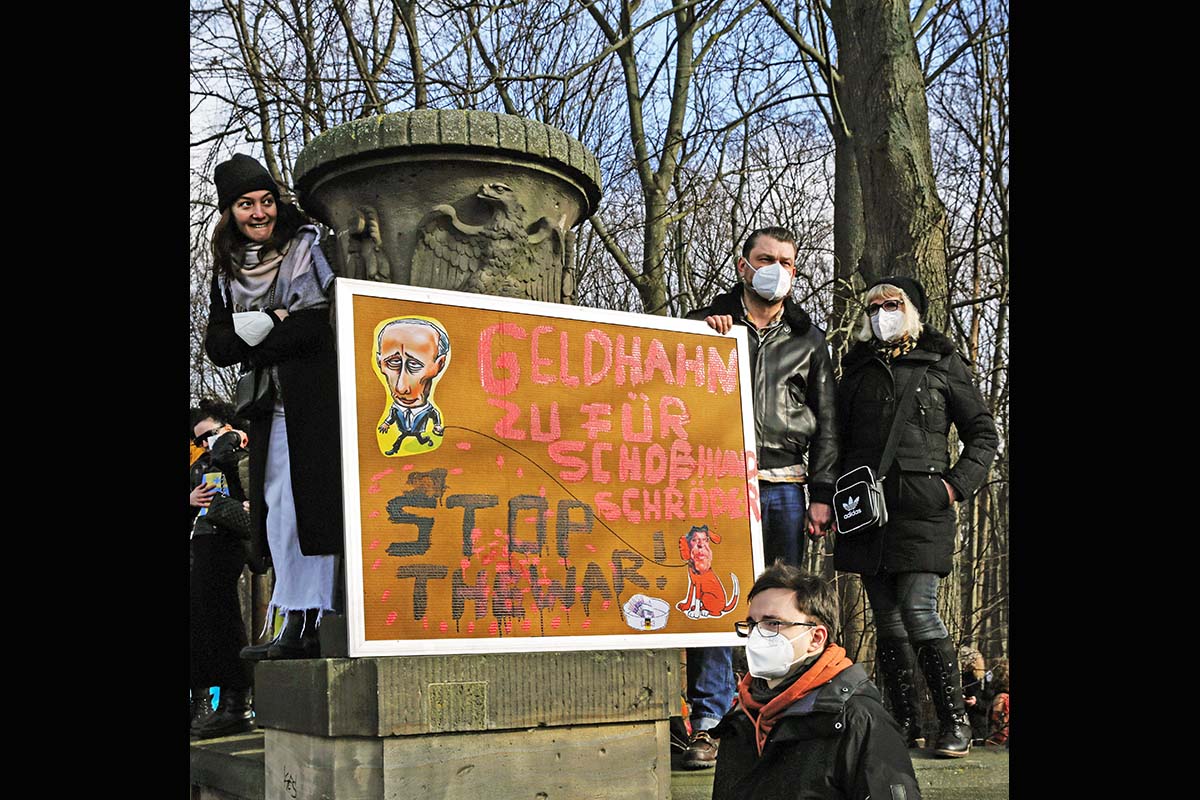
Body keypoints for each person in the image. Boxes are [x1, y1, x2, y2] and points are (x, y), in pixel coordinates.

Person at [679, 226, 839, 769]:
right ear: (743, 265)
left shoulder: (809, 339)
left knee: (782, 605)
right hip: (716, 482)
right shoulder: (704, 325)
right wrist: (700, 339)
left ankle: (775, 715)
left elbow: (828, 424)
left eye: (787, 262)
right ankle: (709, 722)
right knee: (713, 596)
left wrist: (822, 493)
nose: (777, 270)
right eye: (766, 259)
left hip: (786, 485)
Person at [833, 275, 999, 757]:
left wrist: (953, 486)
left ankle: (955, 723)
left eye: (892, 304)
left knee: (918, 610)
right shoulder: (855, 370)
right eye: (873, 307)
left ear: (912, 310)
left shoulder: (941, 362)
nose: (881, 313)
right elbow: (835, 442)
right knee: (887, 620)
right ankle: (905, 725)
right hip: (866, 512)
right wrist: (830, 496)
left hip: (923, 509)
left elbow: (983, 434)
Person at [204, 153, 344, 661]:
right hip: (268, 406)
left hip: (313, 401)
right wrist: (271, 318)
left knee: (312, 507)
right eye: (246, 204)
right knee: (277, 511)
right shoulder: (227, 268)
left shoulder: (303, 247)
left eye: (266, 200)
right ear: (230, 211)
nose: (259, 212)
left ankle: (316, 620)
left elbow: (314, 327)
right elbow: (216, 345)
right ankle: (293, 617)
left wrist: (253, 336)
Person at [709, 562, 921, 800]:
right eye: (751, 624)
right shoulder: (740, 720)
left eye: (773, 623)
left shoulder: (859, 719)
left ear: (816, 638)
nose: (757, 635)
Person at [189, 400, 255, 738]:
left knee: (223, 613)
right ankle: (212, 699)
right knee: (203, 616)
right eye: (198, 439)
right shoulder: (201, 462)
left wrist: (229, 440)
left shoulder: (239, 452)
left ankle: (236, 701)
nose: (204, 444)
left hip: (227, 540)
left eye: (209, 435)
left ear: (227, 426)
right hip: (202, 541)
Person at [375, 317, 450, 453]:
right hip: (405, 432)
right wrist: (386, 423)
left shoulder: (429, 410)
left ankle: (426, 441)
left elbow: (435, 417)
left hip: (418, 433)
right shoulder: (396, 409)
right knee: (401, 438)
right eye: (393, 363)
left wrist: (438, 426)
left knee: (420, 439)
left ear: (439, 364)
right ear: (380, 363)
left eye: (414, 365)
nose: (401, 388)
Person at [959, 645, 994, 745]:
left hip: (978, 723)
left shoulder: (984, 679)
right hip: (965, 721)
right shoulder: (962, 677)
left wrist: (975, 702)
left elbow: (988, 703)